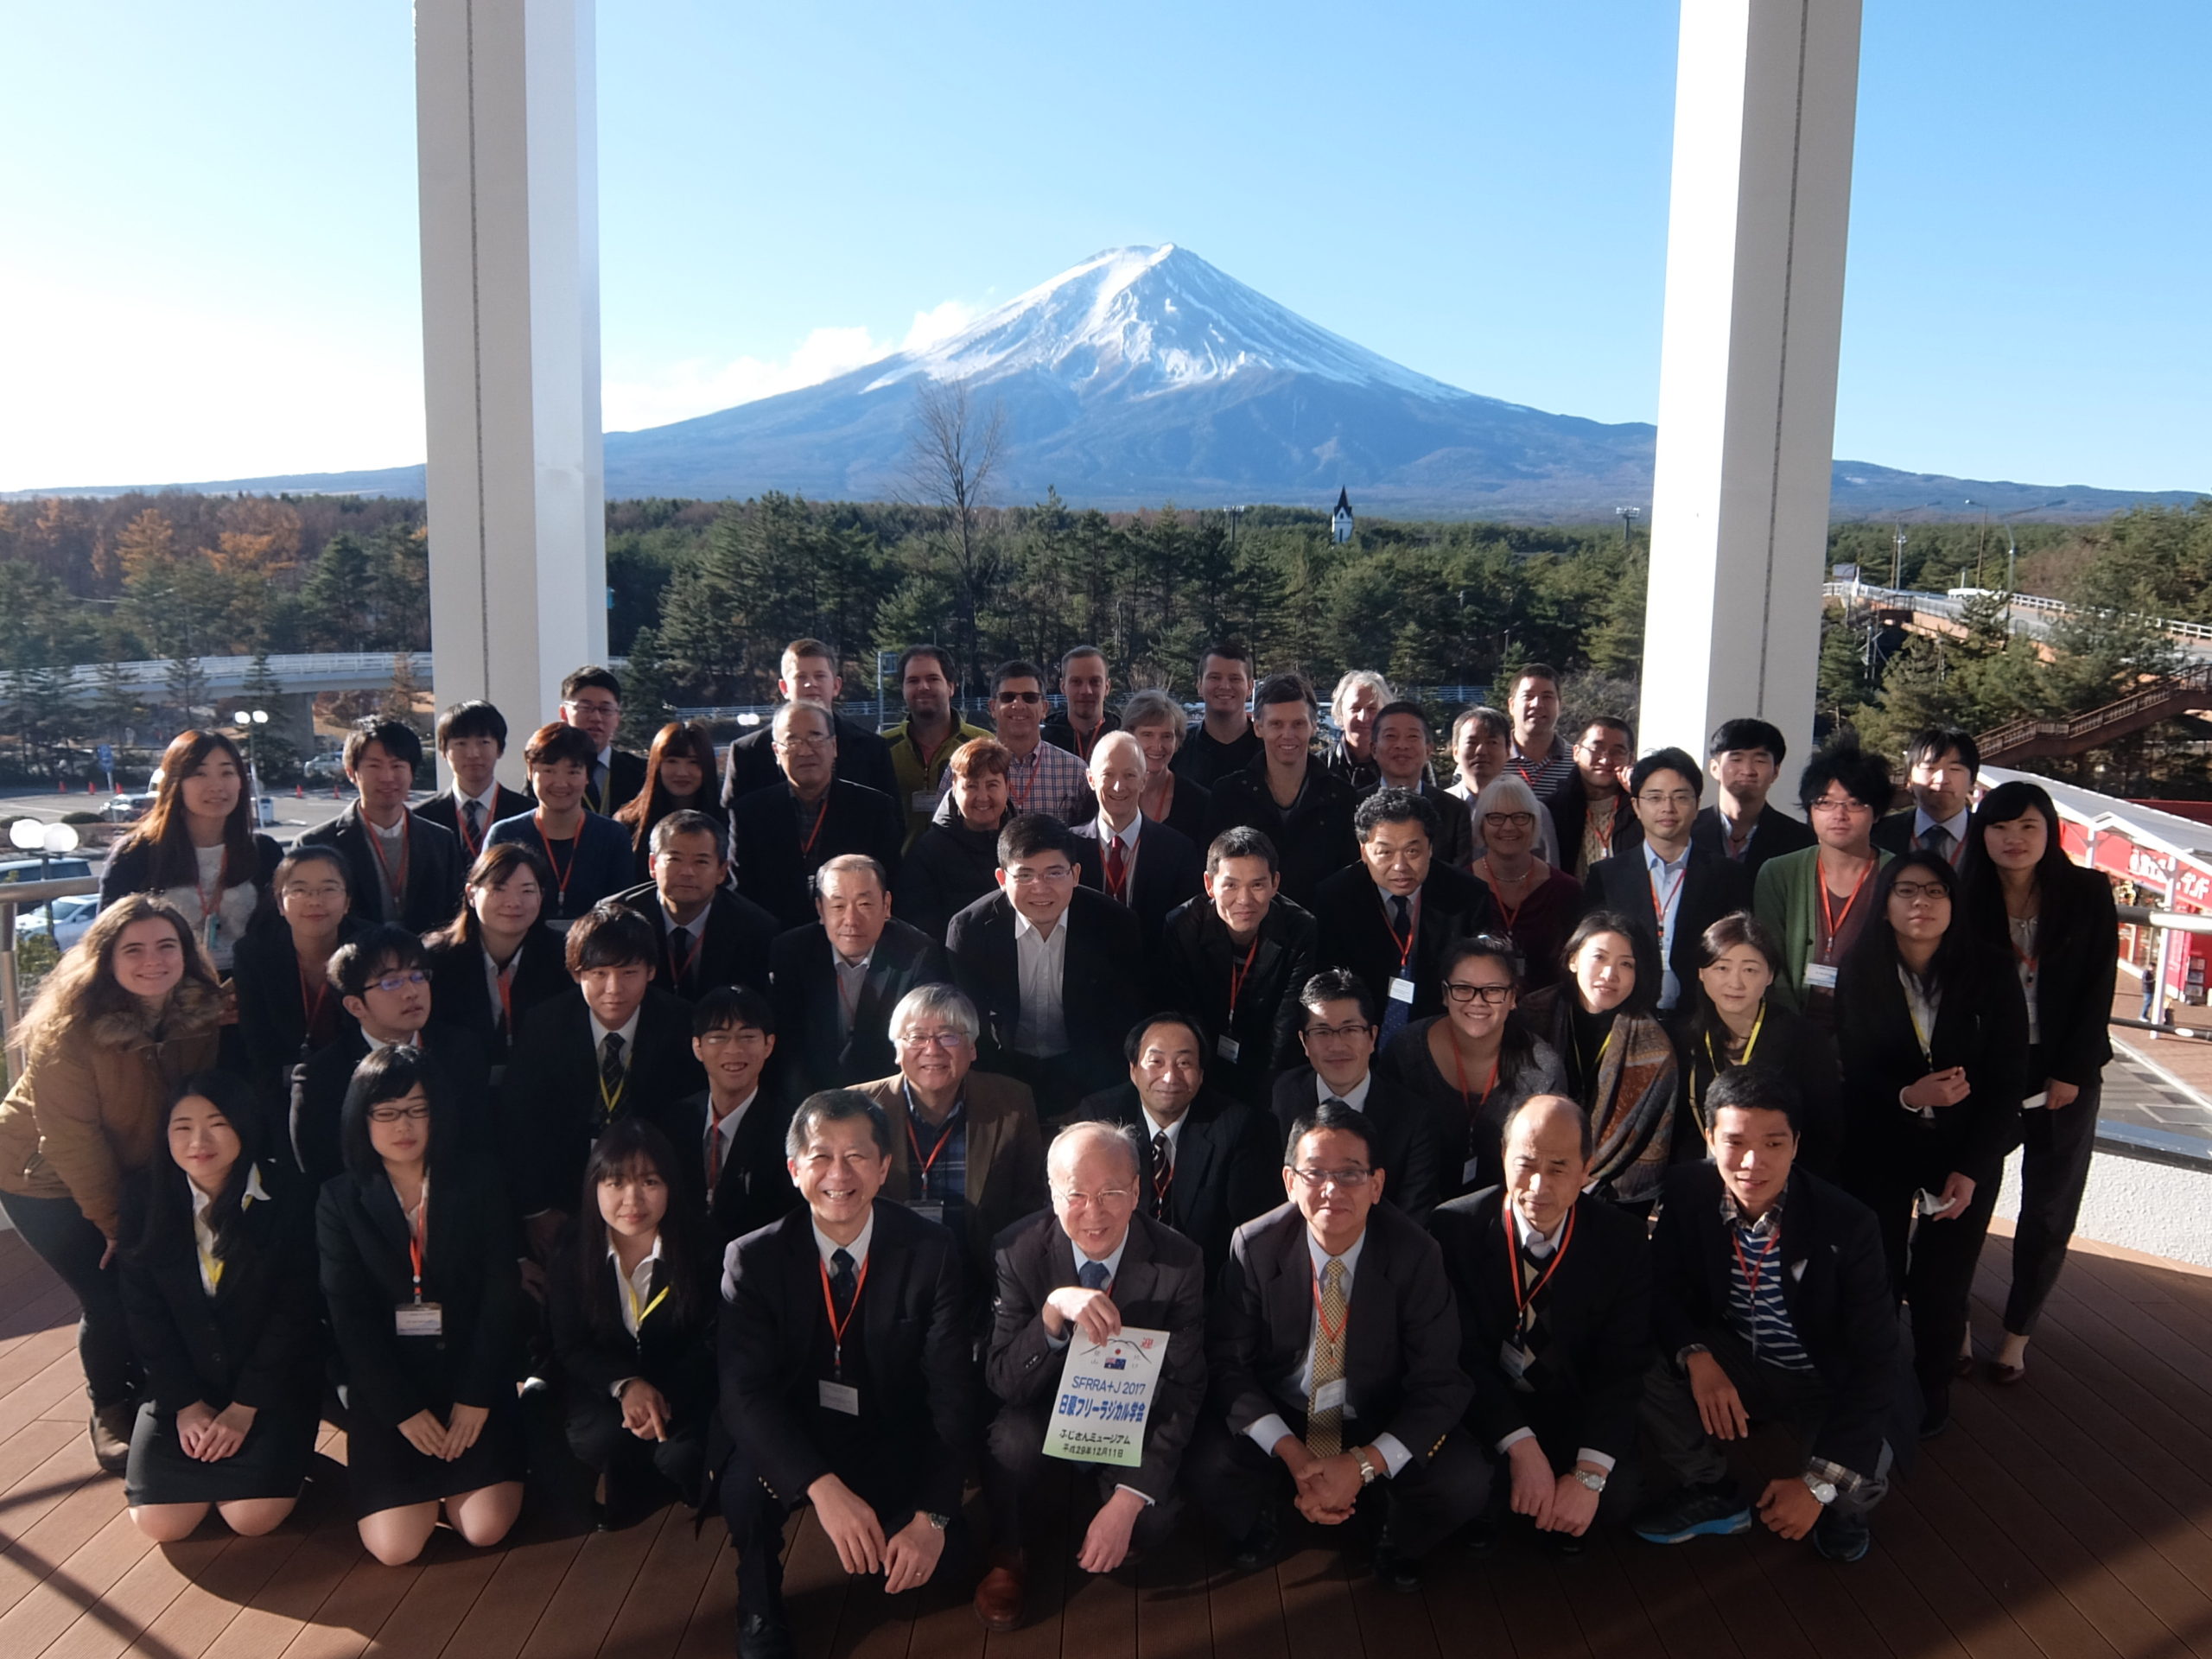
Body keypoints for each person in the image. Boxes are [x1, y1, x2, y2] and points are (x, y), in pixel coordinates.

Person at [716, 1091, 972, 1659]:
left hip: (885, 1425)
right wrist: (821, 1488)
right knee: (744, 1488)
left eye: (857, 1157)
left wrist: (933, 1516)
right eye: (820, 1156)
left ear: (884, 1168)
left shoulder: (930, 1250)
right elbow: (744, 1393)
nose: (839, 1174)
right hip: (794, 1427)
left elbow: (951, 1390)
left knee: (944, 1567)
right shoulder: (752, 1258)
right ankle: (759, 1604)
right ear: (794, 1170)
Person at [1188, 1101, 1483, 1589]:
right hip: (1286, 1412)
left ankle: (1393, 1533)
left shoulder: (1415, 1253)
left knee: (1464, 1481)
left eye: (1350, 1174)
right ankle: (1267, 1512)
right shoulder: (1254, 1245)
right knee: (1206, 1461)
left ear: (1377, 1185)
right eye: (1315, 1173)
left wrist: (1363, 1463)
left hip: (1375, 1413)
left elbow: (1441, 1384)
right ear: (1289, 1182)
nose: (1331, 1190)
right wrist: (1294, 1455)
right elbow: (1226, 1365)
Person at [1632, 1070, 1901, 1565]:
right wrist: (1697, 1356)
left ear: (1796, 1144)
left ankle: (1842, 1513)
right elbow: (1661, 1289)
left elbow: (1877, 1362)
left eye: (1773, 1142)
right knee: (1636, 1353)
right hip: (1736, 1356)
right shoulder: (1689, 1190)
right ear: (1710, 1139)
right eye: (1734, 1142)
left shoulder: (1850, 1224)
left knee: (1857, 1473)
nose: (1753, 1163)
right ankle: (1711, 1488)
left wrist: (1818, 1486)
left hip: (1824, 1377)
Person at [0, 896, 224, 1472]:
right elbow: (71, 1141)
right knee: (110, 1292)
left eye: (166, 946)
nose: (153, 960)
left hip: (135, 1167)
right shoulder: (67, 1029)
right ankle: (110, 1406)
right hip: (40, 1175)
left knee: (157, 1278)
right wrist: (115, 1225)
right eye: (134, 949)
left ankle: (160, 1389)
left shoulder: (199, 1012)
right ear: (105, 959)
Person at [975, 1121, 1208, 1629]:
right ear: (1053, 1194)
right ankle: (1008, 1551)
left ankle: (1104, 1505)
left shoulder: (1180, 1261)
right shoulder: (1015, 1249)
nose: (1094, 1213)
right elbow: (1003, 1382)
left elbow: (1186, 1388)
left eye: (1111, 1193)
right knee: (1011, 1440)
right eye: (1076, 1194)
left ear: (1138, 1191)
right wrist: (1053, 1313)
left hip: (1127, 1422)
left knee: (1154, 1522)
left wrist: (1128, 1501)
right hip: (1043, 1413)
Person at [1834, 852, 2026, 1436]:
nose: (1921, 903)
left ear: (1954, 903)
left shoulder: (1992, 971)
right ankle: (1873, 1386)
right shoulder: (1861, 968)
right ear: (1885, 905)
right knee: (1879, 1274)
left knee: (1944, 1284)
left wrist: (1973, 1168)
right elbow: (1858, 1074)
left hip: (1964, 1154)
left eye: (1936, 891)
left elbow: (2008, 1081)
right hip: (1883, 1141)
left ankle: (1931, 1388)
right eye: (1907, 891)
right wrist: (1911, 1095)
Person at [316, 1046, 524, 1565]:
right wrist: (402, 1412)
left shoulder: (479, 1179)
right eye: (385, 1112)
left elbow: (501, 1293)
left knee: (485, 1529)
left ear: (439, 1113)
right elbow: (349, 1317)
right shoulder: (339, 1199)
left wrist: (476, 1397)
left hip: (470, 1374)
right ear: (360, 1119)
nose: (402, 1125)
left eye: (416, 1109)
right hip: (391, 1386)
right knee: (395, 1549)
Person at [1430, 1095, 1651, 1546]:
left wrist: (1588, 1476)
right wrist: (1519, 1445)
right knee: (1460, 1489)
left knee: (1618, 1494)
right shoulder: (1455, 1227)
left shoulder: (1623, 1239)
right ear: (1502, 1156)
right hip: (1487, 1403)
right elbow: (1461, 1353)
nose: (1538, 1186)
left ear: (1588, 1168)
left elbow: (1623, 1365)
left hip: (1571, 1402)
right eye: (1526, 1164)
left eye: (1559, 1167)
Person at [1962, 780, 2120, 1386]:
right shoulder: (1965, 896)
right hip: (1988, 1070)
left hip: (2065, 1074)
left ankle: (2016, 1336)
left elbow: (2097, 987)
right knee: (1963, 1195)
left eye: (2029, 826)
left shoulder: (2085, 892)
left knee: (2049, 1210)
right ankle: (1953, 1323)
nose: (2015, 838)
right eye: (2001, 826)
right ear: (1983, 833)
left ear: (2050, 831)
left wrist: (2072, 1073)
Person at [119, 1074, 321, 1541]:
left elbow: (295, 1314)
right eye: (182, 1127)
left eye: (216, 1124)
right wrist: (187, 1406)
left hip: (269, 1383)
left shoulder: (289, 1195)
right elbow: (143, 1315)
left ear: (244, 1126)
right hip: (185, 1385)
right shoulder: (142, 1197)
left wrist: (244, 1407)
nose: (198, 1142)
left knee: (251, 1519)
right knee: (160, 1524)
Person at [501, 902, 705, 1255]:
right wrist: (536, 1209)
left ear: (651, 971)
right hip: (562, 1192)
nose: (614, 989)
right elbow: (518, 1121)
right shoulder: (544, 1025)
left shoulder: (680, 1024)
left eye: (629, 973)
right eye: (599, 974)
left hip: (651, 1193)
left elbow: (687, 1125)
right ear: (577, 973)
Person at [548, 1117, 717, 1529]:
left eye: (650, 1182)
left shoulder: (704, 1246)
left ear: (671, 1187)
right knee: (597, 1437)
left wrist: (661, 1396)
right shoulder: (572, 1251)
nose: (632, 1199)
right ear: (594, 1187)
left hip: (682, 1387)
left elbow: (712, 1341)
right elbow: (569, 1345)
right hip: (609, 1389)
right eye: (616, 1183)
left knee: (682, 1459)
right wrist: (626, 1386)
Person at [855, 984, 1048, 1300]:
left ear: (972, 1048)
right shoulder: (857, 1106)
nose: (932, 1050)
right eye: (916, 1037)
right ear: (896, 1049)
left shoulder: (1012, 1102)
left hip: (981, 1281)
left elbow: (1028, 1203)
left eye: (949, 1036)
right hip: (883, 1280)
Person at [947, 813, 1145, 1100]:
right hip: (1004, 1071)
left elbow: (1120, 1024)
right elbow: (969, 1027)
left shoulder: (1115, 927)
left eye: (1054, 873)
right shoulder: (970, 931)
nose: (1040, 887)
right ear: (1002, 879)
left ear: (1075, 874)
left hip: (1090, 1073)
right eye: (1024, 874)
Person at [1068, 1014, 1277, 1278]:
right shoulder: (1101, 1117)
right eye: (1156, 1062)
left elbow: (1246, 1233)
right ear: (1133, 1070)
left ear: (1201, 1075)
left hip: (1203, 1282)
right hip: (1118, 1278)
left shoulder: (1234, 1126)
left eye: (1184, 1063)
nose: (1170, 1076)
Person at [289, 925, 493, 1188]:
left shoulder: (461, 1050)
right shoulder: (320, 1076)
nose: (411, 991)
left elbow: (478, 1142)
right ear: (355, 1005)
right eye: (391, 982)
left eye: (418, 976)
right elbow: (322, 1172)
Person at [1382, 936, 1568, 1203]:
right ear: (1445, 995)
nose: (1477, 1001)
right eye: (1463, 989)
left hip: (1504, 1209)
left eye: (1492, 990)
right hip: (1412, 1204)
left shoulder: (1542, 1068)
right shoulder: (1407, 1050)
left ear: (1512, 997)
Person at [1518, 913, 1680, 1210]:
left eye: (1626, 964)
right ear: (1573, 959)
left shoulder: (1654, 1047)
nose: (1610, 974)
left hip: (1610, 1194)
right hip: (1525, 1175)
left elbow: (1645, 1142)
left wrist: (1580, 1176)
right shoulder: (1531, 1014)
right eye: (1599, 958)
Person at [1581, 747, 1751, 1020]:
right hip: (1625, 1017)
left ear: (1697, 805)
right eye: (1655, 797)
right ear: (1636, 806)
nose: (1667, 808)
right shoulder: (1606, 875)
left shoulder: (1728, 876)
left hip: (1701, 1018)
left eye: (1680, 797)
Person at [1313, 787, 1497, 1037]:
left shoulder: (1468, 896)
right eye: (1385, 852)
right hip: (1358, 1035)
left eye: (1412, 851)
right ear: (1363, 851)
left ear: (1431, 848)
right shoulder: (1333, 899)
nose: (1400, 866)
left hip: (1443, 1032)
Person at [1158, 828, 1317, 1110]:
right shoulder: (1182, 925)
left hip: (1266, 1056)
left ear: (1275, 883)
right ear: (1209, 884)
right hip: (1203, 1054)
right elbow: (1183, 1013)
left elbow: (1286, 1022)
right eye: (1230, 885)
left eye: (1257, 885)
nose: (1244, 900)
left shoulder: (1300, 928)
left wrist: (1263, 1097)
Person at [99, 728, 283, 972]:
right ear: (175, 783)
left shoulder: (264, 852)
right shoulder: (138, 854)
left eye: (228, 772)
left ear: (241, 782)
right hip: (164, 990)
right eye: (199, 773)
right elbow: (108, 937)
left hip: (251, 990)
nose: (217, 786)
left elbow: (282, 933)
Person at [767, 855, 950, 1096]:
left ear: (886, 906)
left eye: (864, 905)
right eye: (838, 906)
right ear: (821, 910)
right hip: (809, 1095)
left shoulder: (918, 953)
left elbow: (918, 1043)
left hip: (886, 1094)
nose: (851, 920)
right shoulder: (791, 952)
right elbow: (789, 1047)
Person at [1678, 912, 1843, 1174]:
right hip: (1704, 1180)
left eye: (1750, 970)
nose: (1735, 982)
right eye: (1722, 968)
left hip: (1783, 1177)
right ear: (1701, 972)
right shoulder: (1684, 1038)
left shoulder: (1803, 1039)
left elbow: (1824, 1128)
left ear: (1770, 976)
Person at [1272, 969, 1440, 1222]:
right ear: (1304, 1043)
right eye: (1322, 1031)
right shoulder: (1279, 1096)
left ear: (1372, 1037)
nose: (1337, 1045)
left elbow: (1410, 1220)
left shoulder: (1414, 1117)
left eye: (1349, 1029)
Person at [728, 701, 906, 932]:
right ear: (776, 752)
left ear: (834, 747)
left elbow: (891, 886)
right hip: (772, 944)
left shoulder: (874, 809)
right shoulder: (748, 814)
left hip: (855, 938)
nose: (805, 750)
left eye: (815, 737)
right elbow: (742, 897)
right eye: (792, 740)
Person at [1752, 746, 1895, 1025]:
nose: (1839, 814)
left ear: (1876, 813)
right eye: (1825, 802)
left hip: (1873, 1033)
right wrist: (1798, 1037)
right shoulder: (1778, 873)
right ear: (1810, 811)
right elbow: (1768, 958)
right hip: (1790, 1032)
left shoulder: (1899, 875)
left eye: (1855, 803)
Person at [1200, 671, 1359, 906]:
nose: (1288, 735)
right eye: (1276, 724)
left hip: (1323, 933)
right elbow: (1214, 876)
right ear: (1258, 727)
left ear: (1314, 726)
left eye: (1298, 724)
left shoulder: (1341, 797)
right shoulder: (1229, 794)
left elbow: (1349, 882)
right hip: (1249, 931)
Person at [421, 843, 572, 1075]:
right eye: (499, 888)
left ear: (541, 896)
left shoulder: (563, 956)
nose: (513, 902)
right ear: (471, 894)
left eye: (527, 890)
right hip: (458, 1085)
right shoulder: (435, 959)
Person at [301, 718, 462, 934]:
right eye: (374, 766)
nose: (387, 777)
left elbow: (453, 917)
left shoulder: (441, 840)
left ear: (412, 772)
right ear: (351, 772)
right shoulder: (317, 843)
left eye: (397, 766)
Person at [231, 845, 363, 1103]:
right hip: (283, 1088)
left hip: (362, 1082)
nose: (315, 901)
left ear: (347, 902)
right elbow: (258, 1046)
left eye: (329, 889)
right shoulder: (254, 955)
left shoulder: (373, 948)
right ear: (280, 903)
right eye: (300, 890)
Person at [670, 987, 799, 1249]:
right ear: (698, 1047)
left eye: (747, 1036)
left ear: (768, 1045)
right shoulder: (676, 1120)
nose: (734, 1049)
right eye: (718, 1037)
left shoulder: (790, 1128)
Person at [612, 810, 779, 1000]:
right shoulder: (616, 919)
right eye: (674, 859)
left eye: (701, 861)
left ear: (722, 871)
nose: (687, 872)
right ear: (652, 865)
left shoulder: (756, 928)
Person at [721, 638, 900, 810]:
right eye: (800, 677)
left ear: (836, 686)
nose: (811, 684)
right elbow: (732, 821)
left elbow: (891, 820)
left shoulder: (872, 748)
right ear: (783, 688)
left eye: (820, 676)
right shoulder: (748, 752)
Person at [484, 721, 635, 925]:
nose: (561, 783)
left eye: (573, 772)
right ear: (530, 772)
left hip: (595, 951)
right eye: (549, 770)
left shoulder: (613, 836)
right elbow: (491, 903)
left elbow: (622, 912)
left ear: (587, 776)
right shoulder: (505, 834)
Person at [1071, 729, 1203, 953]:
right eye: (1108, 774)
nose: (1118, 786)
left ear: (1143, 780)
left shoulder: (1178, 852)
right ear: (1091, 779)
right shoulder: (1067, 848)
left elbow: (1186, 936)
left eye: (1130, 775)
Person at [1467, 773, 1585, 991]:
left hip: (1548, 1016)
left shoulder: (1566, 891)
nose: (1509, 827)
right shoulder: (1459, 888)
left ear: (1535, 823)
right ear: (1481, 825)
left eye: (1520, 817)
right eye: (1496, 817)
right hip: (1475, 1012)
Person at [893, 734, 1011, 941]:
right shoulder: (928, 852)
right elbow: (920, 928)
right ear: (955, 788)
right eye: (971, 786)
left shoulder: (1023, 845)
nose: (982, 797)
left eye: (992, 785)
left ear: (1007, 788)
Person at [881, 644, 992, 846]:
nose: (923, 687)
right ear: (903, 689)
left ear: (951, 687)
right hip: (899, 871)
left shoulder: (982, 745)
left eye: (932, 679)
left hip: (963, 871)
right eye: (913, 681)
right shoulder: (882, 748)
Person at [1690, 717, 1814, 878]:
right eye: (1736, 759)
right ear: (1714, 768)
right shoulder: (1686, 831)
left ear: (1775, 772)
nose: (1748, 770)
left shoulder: (1801, 840)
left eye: (1759, 760)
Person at [416, 699, 531, 863]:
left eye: (483, 742)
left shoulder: (526, 812)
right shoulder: (423, 817)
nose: (473, 753)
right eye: (461, 743)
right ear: (443, 751)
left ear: (500, 749)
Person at [613, 720, 726, 883]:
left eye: (693, 762)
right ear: (656, 765)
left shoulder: (727, 821)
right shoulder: (627, 822)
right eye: (672, 761)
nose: (682, 772)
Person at [1370, 701, 1473, 868]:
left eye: (1412, 737)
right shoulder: (1351, 805)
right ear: (1374, 749)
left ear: (1428, 750)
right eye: (1390, 736)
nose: (1401, 745)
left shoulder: (1454, 811)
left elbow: (1460, 879)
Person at [986, 658, 1089, 823]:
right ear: (992, 707)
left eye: (1030, 697)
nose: (1018, 705)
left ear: (1045, 708)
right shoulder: (967, 768)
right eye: (1008, 697)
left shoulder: (1075, 772)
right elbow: (944, 835)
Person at [1545, 716, 1639, 880]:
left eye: (1617, 751)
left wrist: (1640, 797)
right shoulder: (1552, 811)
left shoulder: (1642, 810)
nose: (1605, 760)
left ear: (1631, 759)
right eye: (1596, 749)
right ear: (1576, 753)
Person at [1872, 725, 1980, 867]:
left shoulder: (1990, 834)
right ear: (1908, 780)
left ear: (1972, 780)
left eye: (1955, 769)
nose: (1941, 779)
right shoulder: (1876, 835)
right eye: (1929, 768)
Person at [1122, 686, 1213, 845]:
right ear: (1129, 736)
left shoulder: (1199, 802)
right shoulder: (1110, 794)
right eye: (1148, 735)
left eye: (1167, 736)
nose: (1158, 746)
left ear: (1177, 741)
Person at [557, 664, 646, 817]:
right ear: (564, 714)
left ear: (617, 717)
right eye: (586, 708)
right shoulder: (547, 770)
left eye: (605, 710)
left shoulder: (641, 772)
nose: (596, 718)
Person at [1172, 639, 1261, 789]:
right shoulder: (1177, 750)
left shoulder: (1268, 750)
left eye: (1235, 679)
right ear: (1199, 685)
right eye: (1215, 677)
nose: (1225, 686)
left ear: (1250, 687)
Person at [1503, 665, 1576, 800]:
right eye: (1528, 696)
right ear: (1511, 705)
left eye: (1547, 697)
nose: (1537, 704)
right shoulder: (1489, 757)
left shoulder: (1577, 762)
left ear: (1559, 706)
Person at [1041, 645, 1114, 762]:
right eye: (1076, 682)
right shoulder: (1042, 744)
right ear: (1063, 686)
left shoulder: (1125, 740)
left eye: (1094, 682)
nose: (1086, 691)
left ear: (1107, 687)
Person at [1325, 670, 1392, 795]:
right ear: (1340, 712)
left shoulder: (1402, 764)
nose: (1363, 717)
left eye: (1372, 709)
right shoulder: (1319, 767)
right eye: (1355, 709)